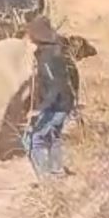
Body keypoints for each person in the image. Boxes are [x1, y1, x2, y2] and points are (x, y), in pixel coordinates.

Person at [22, 16, 75, 179]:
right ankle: (56, 171)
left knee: (34, 139)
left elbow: (54, 86)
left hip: (56, 105)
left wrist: (39, 109)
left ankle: (45, 177)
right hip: (65, 103)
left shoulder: (46, 58)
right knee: (54, 137)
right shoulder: (57, 50)